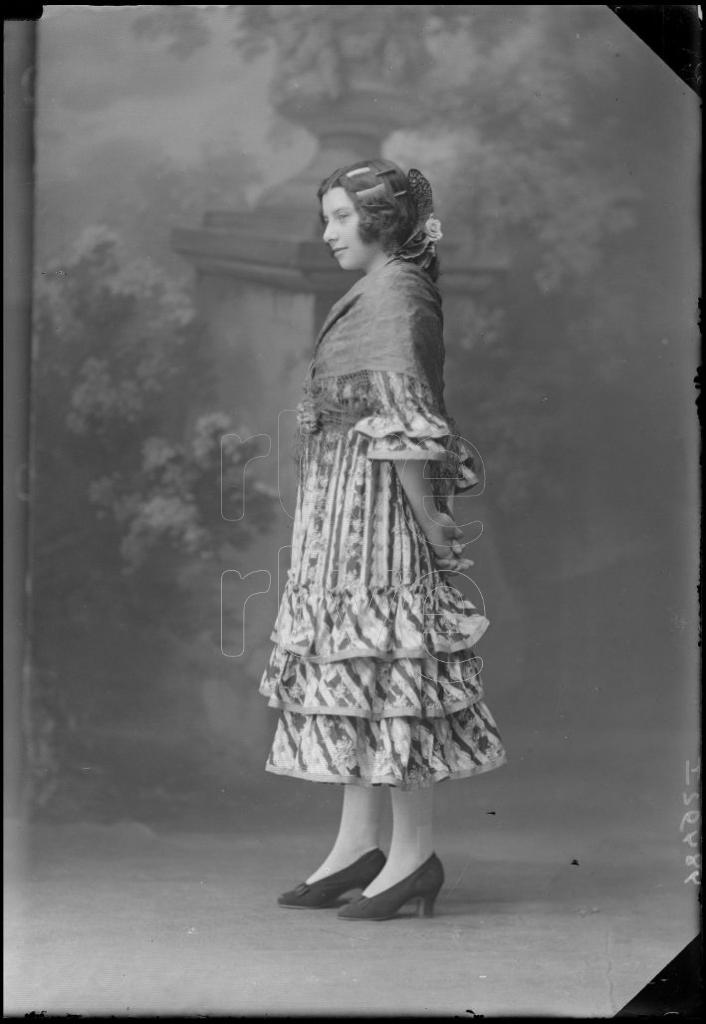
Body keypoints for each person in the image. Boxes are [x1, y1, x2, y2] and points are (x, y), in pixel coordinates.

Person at [258, 158, 506, 921]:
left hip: (381, 515)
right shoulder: (374, 291)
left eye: (339, 217)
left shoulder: (398, 293)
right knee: (354, 667)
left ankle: (413, 856)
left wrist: (432, 523)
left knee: (395, 668)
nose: (327, 232)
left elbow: (406, 426)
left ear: (383, 223)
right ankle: (358, 844)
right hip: (343, 511)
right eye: (326, 217)